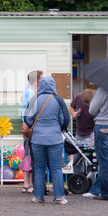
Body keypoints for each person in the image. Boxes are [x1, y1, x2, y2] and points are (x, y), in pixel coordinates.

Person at [25, 76, 70, 204]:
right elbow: (65, 119)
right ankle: (60, 197)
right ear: (53, 86)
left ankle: (38, 197)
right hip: (55, 139)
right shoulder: (59, 100)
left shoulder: (34, 100)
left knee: (39, 168)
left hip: (37, 139)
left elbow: (27, 119)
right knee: (56, 168)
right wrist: (58, 128)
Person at [20, 70, 43, 194]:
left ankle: (26, 184)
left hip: (26, 127)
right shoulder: (31, 93)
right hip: (31, 128)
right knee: (30, 155)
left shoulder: (26, 91)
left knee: (27, 154)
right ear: (36, 81)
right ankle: (29, 184)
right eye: (41, 80)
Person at [68, 88, 95, 174]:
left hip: (92, 134)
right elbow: (71, 108)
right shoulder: (78, 97)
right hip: (79, 134)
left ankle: (91, 183)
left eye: (90, 103)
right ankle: (78, 182)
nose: (88, 105)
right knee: (76, 161)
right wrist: (73, 113)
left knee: (91, 162)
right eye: (86, 103)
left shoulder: (98, 104)